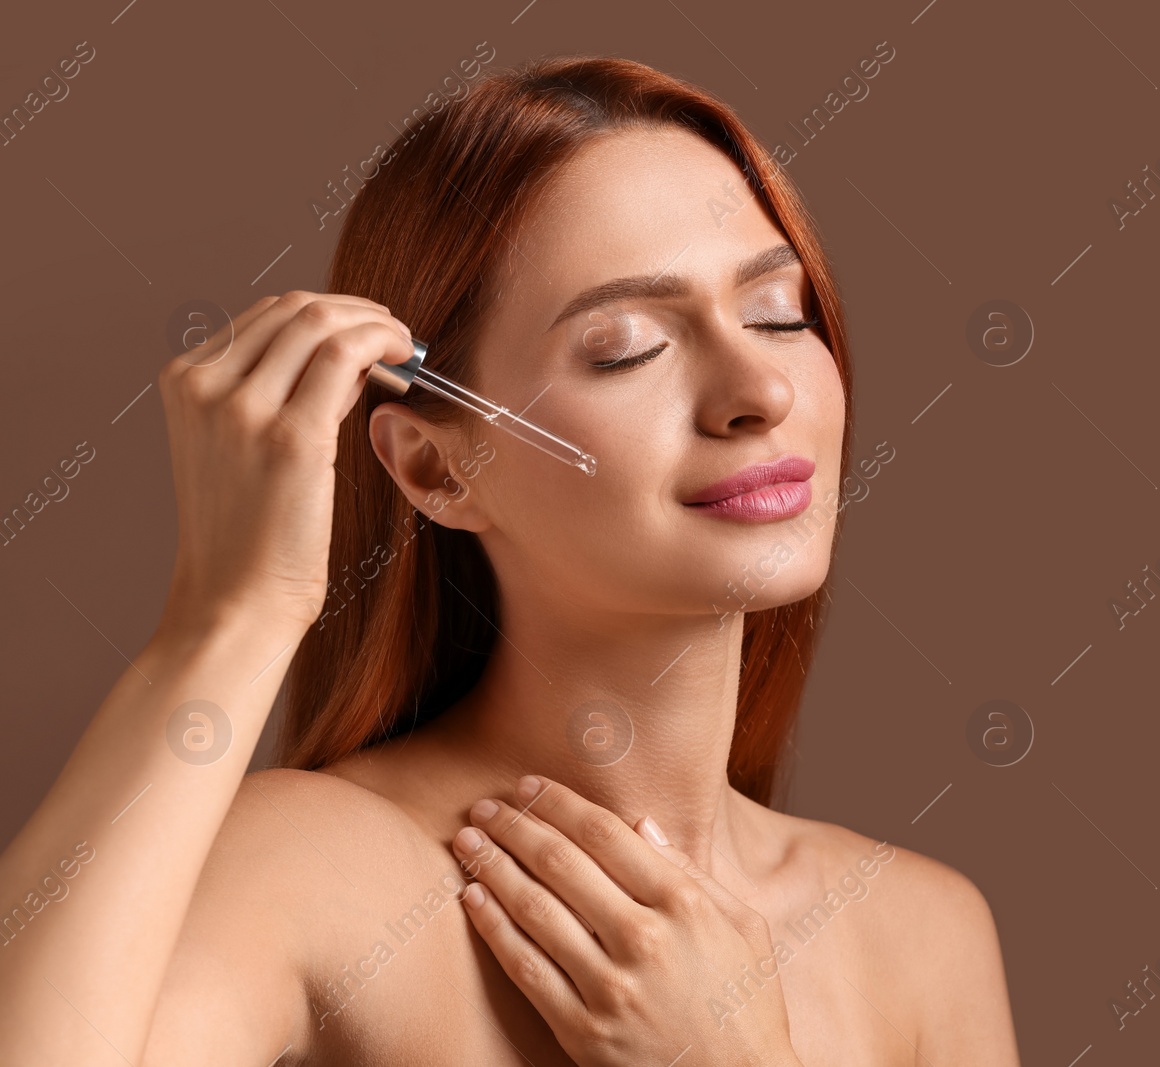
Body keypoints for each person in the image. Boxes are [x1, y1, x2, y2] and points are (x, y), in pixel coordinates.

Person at [0, 55, 1020, 1065]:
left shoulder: (920, 931)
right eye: (625, 346)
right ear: (440, 469)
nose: (759, 387)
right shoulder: (315, 870)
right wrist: (223, 620)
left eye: (776, 313)